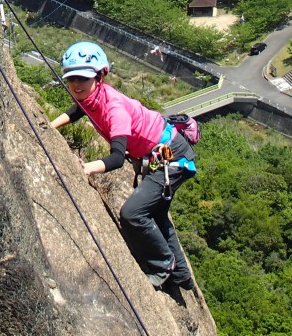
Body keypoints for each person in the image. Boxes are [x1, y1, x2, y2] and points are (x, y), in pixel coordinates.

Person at [49, 41, 196, 291]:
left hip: (171, 158)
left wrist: (85, 168)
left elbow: (117, 159)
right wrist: (49, 127)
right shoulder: (93, 97)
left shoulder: (113, 108)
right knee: (157, 214)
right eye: (71, 77)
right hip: (164, 154)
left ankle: (163, 266)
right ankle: (182, 276)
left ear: (99, 76)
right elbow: (78, 110)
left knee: (133, 214)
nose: (75, 84)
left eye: (82, 78)